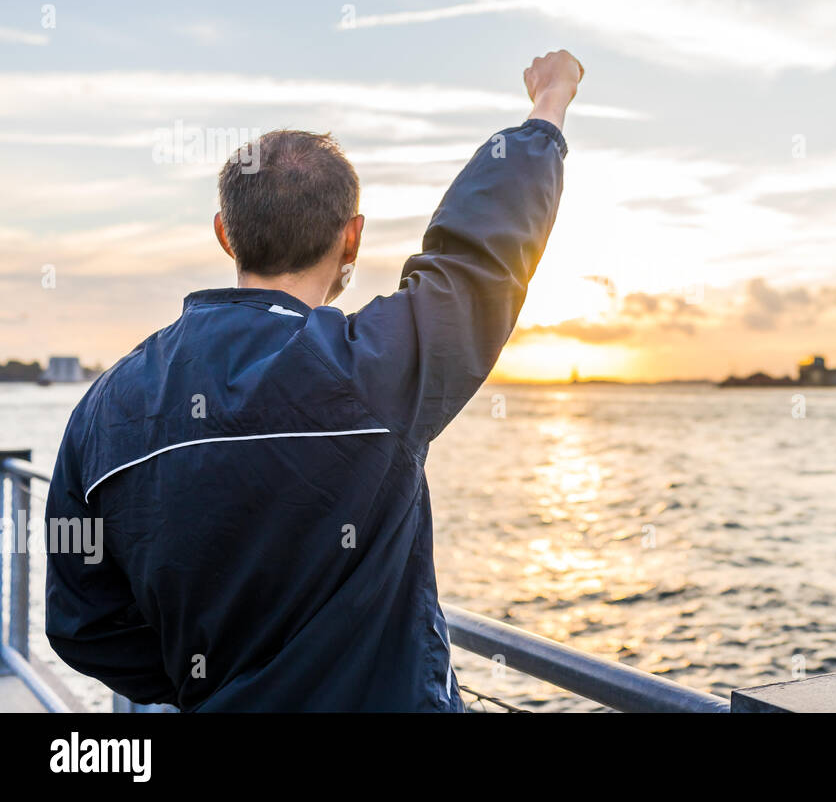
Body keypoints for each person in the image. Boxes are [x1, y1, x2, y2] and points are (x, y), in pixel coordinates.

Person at [44, 50, 583, 711]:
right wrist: (546, 108)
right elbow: (477, 258)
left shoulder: (106, 406)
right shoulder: (369, 370)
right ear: (351, 239)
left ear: (225, 234)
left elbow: (84, 624)